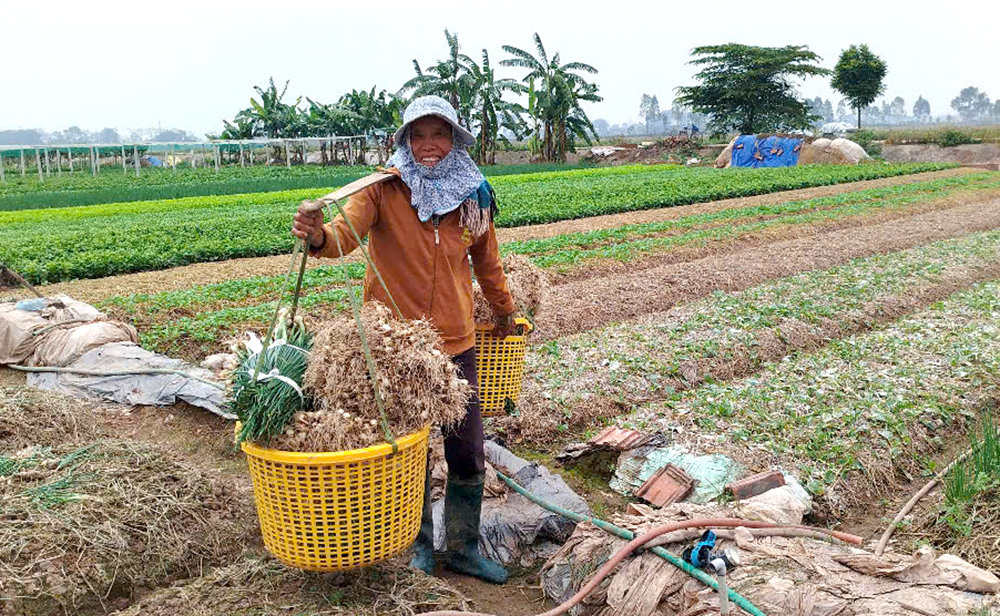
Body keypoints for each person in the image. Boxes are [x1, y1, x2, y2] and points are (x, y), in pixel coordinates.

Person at [291, 95, 516, 584]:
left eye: (440, 134)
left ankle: (462, 548)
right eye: (419, 135)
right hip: (397, 349)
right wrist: (315, 236)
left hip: (456, 342)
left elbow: (488, 265)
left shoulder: (473, 193)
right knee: (409, 447)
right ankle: (415, 546)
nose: (429, 145)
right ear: (405, 140)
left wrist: (505, 313)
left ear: (455, 140)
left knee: (467, 447)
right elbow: (342, 237)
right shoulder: (382, 189)